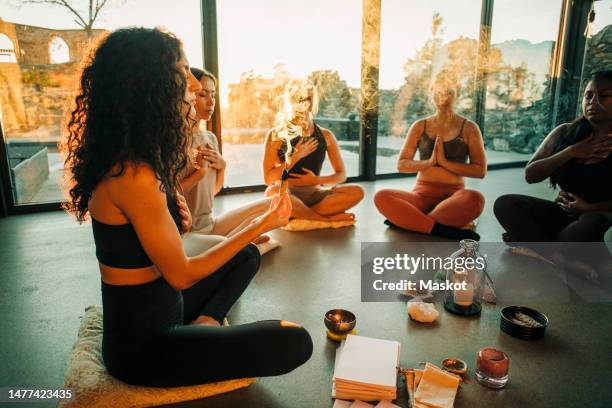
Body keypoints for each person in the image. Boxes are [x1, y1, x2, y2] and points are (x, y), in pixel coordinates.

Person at [61, 27, 312, 387]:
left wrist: (181, 206)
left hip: (169, 305)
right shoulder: (132, 175)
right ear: (150, 84)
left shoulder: (136, 159)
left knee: (244, 256)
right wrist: (264, 223)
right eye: (183, 71)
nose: (193, 85)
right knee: (294, 340)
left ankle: (206, 324)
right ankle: (202, 331)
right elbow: (181, 274)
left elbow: (164, 251)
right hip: (143, 350)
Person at [494, 70, 612, 280]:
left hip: (595, 221)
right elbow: (531, 174)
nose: (593, 101)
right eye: (588, 95)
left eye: (603, 95)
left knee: (590, 223)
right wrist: (572, 151)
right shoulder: (565, 132)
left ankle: (536, 245)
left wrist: (589, 207)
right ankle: (559, 258)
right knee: (505, 204)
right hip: (562, 215)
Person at [374, 70, 486, 240]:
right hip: (421, 197)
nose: (444, 97)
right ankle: (441, 229)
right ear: (431, 93)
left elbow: (480, 171)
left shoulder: (469, 127)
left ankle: (412, 222)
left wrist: (444, 162)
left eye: (449, 92)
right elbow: (402, 164)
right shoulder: (420, 126)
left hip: (453, 198)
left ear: (458, 94)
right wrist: (429, 162)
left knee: (475, 198)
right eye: (439, 92)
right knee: (381, 196)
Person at [180, 67, 273, 256]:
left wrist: (222, 167)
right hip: (187, 234)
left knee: (271, 203)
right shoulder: (176, 142)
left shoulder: (210, 139)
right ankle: (239, 241)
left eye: (213, 94)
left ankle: (237, 240)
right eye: (203, 94)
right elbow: (167, 197)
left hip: (210, 225)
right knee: (242, 251)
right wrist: (199, 174)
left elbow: (212, 191)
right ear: (188, 95)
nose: (211, 101)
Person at [262, 79, 364, 222]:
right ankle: (324, 219)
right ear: (290, 102)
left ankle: (301, 215)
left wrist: (316, 180)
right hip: (288, 193)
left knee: (357, 191)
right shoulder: (276, 135)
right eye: (297, 99)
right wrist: (295, 157)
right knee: (272, 192)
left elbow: (341, 175)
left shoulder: (326, 135)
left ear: (313, 102)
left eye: (307, 99)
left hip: (316, 194)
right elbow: (268, 179)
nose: (303, 103)